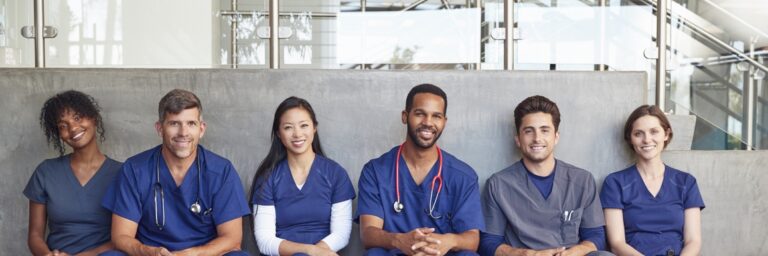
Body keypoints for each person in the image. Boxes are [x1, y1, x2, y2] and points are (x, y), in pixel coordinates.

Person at [101, 89, 250, 256]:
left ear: (201, 129)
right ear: (160, 128)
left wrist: (195, 253)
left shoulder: (221, 171)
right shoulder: (135, 170)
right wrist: (147, 251)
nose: (183, 133)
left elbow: (232, 239)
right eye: (174, 123)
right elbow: (120, 236)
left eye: (191, 123)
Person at [356, 83, 484, 256]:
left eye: (436, 116)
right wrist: (400, 241)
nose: (428, 122)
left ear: (444, 122)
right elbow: (368, 234)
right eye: (420, 114)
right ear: (405, 116)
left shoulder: (463, 176)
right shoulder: (376, 171)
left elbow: (472, 239)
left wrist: (447, 241)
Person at [480, 95, 610, 256]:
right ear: (518, 140)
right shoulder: (498, 184)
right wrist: (526, 254)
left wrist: (577, 251)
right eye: (529, 131)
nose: (537, 138)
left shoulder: (582, 180)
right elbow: (489, 242)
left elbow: (595, 235)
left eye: (544, 130)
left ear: (556, 137)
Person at [251, 96, 356, 256]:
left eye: (304, 125)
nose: (297, 134)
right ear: (278, 133)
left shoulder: (336, 174)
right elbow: (265, 241)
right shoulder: (267, 178)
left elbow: (341, 235)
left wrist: (317, 253)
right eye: (288, 127)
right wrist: (310, 251)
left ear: (314, 127)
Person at [25, 90, 122, 256]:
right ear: (58, 134)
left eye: (77, 118)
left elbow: (127, 236)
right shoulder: (46, 172)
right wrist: (48, 255)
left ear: (94, 118)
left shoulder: (123, 173)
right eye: (63, 125)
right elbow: (35, 235)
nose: (73, 128)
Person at [600, 105, 704, 256]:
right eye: (638, 134)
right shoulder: (615, 183)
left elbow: (693, 241)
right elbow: (617, 243)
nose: (647, 139)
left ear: (666, 134)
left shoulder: (686, 182)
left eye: (654, 131)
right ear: (630, 138)